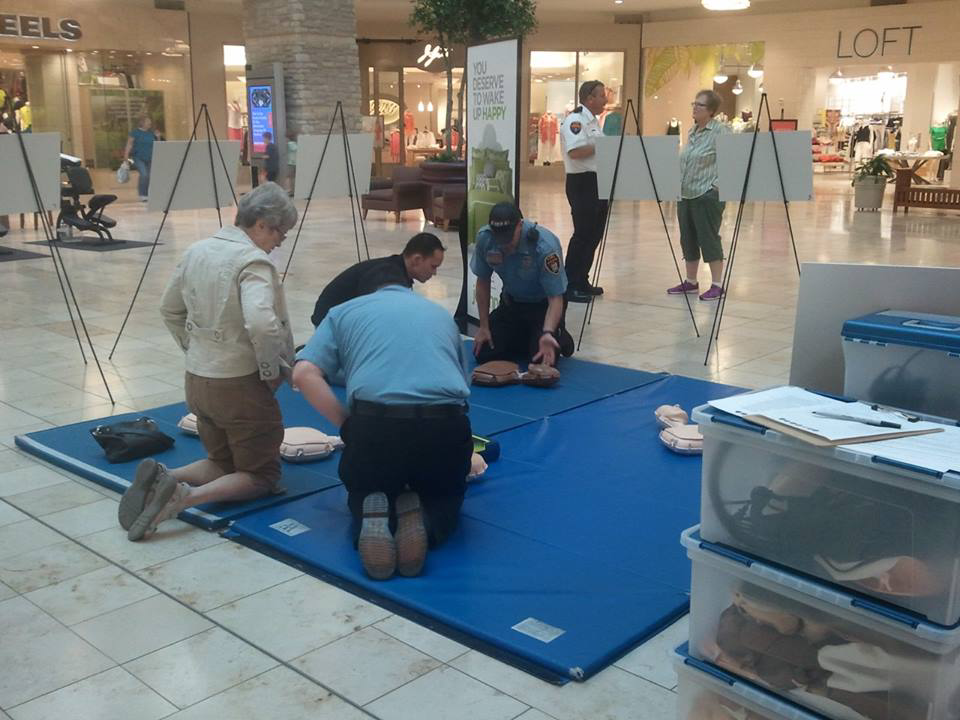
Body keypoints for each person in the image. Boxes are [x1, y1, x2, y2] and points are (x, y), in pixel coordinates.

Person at [119, 183, 298, 541]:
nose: (281, 241)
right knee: (262, 475)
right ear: (262, 224)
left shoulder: (197, 250)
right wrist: (269, 371)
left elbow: (169, 309)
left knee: (222, 462)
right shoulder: (253, 262)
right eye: (281, 231)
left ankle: (168, 476)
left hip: (197, 379)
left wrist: (196, 347)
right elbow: (262, 324)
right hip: (239, 384)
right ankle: (184, 498)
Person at [293, 281, 472, 581]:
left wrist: (347, 425)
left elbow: (303, 374)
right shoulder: (440, 315)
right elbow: (461, 388)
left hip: (374, 427)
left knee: (366, 487)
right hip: (443, 425)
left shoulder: (341, 312)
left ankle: (370, 511)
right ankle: (426, 520)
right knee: (445, 495)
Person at [472, 202, 574, 368]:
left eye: (509, 237)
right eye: (500, 238)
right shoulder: (486, 238)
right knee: (484, 353)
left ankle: (557, 334)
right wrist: (483, 326)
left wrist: (547, 332)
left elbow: (556, 298)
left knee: (542, 360)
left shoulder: (544, 246)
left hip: (543, 306)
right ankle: (526, 336)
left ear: (520, 225)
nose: (504, 244)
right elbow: (482, 281)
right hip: (512, 304)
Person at [667, 89, 729, 302]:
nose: (694, 107)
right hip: (686, 193)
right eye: (694, 103)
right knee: (688, 238)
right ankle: (691, 281)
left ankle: (717, 284)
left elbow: (731, 163)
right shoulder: (693, 131)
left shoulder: (721, 131)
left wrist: (716, 186)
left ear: (711, 110)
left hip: (706, 194)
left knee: (709, 238)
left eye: (700, 105)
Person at [310, 232, 445, 327]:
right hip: (328, 325)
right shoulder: (387, 277)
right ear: (417, 260)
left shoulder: (396, 270)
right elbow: (377, 316)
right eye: (433, 266)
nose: (435, 273)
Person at [561, 80, 609, 303]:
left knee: (594, 234)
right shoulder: (575, 120)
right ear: (590, 98)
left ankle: (582, 279)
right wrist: (607, 147)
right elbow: (576, 152)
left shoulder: (593, 122)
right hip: (582, 183)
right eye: (602, 95)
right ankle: (570, 284)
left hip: (598, 181)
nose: (605, 99)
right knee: (582, 234)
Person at [123, 115, 157, 201]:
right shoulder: (135, 133)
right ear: (142, 123)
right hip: (138, 157)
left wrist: (158, 136)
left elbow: (156, 144)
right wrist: (126, 156)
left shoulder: (151, 133)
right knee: (144, 174)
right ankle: (143, 194)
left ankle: (147, 194)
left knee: (148, 176)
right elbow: (129, 144)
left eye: (150, 122)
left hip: (150, 158)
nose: (150, 123)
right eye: (148, 122)